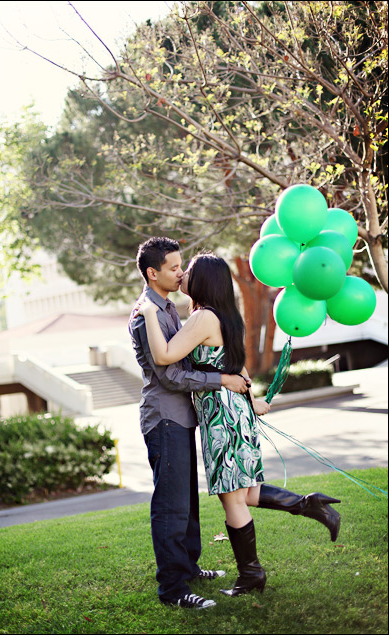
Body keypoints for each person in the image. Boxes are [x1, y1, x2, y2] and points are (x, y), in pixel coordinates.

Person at [139, 251, 341, 598]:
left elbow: (163, 356)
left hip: (220, 416)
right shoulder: (226, 316)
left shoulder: (202, 318)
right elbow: (236, 367)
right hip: (234, 411)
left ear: (203, 281)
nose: (182, 274)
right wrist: (253, 399)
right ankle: (309, 505)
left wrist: (148, 315)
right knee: (245, 491)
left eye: (188, 270)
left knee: (232, 498)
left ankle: (251, 575)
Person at [128, 237, 251, 610]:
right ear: (153, 273)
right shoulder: (144, 314)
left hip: (182, 417)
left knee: (187, 503)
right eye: (174, 268)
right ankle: (173, 589)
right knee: (170, 506)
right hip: (164, 417)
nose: (181, 273)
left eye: (182, 266)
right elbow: (169, 376)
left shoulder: (167, 308)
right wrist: (221, 381)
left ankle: (189, 566)